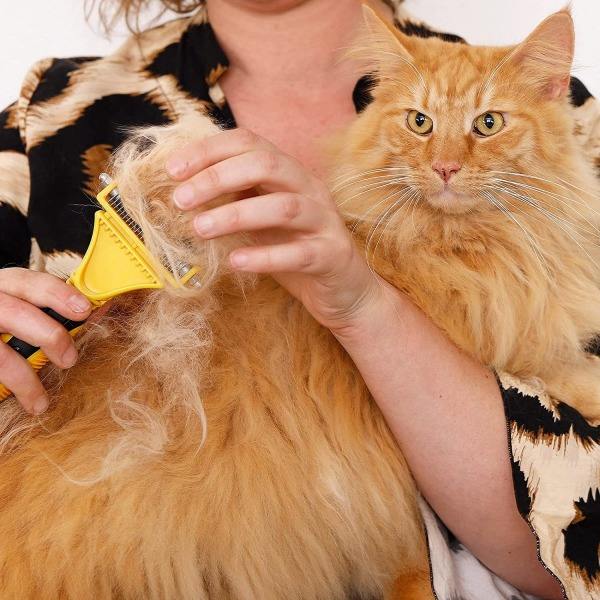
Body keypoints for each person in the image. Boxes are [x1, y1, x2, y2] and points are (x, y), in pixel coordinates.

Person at [0, 1, 598, 598]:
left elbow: (579, 551)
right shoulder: (48, 112)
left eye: (485, 126)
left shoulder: (571, 119)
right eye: (420, 124)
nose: (445, 160)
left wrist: (366, 309)